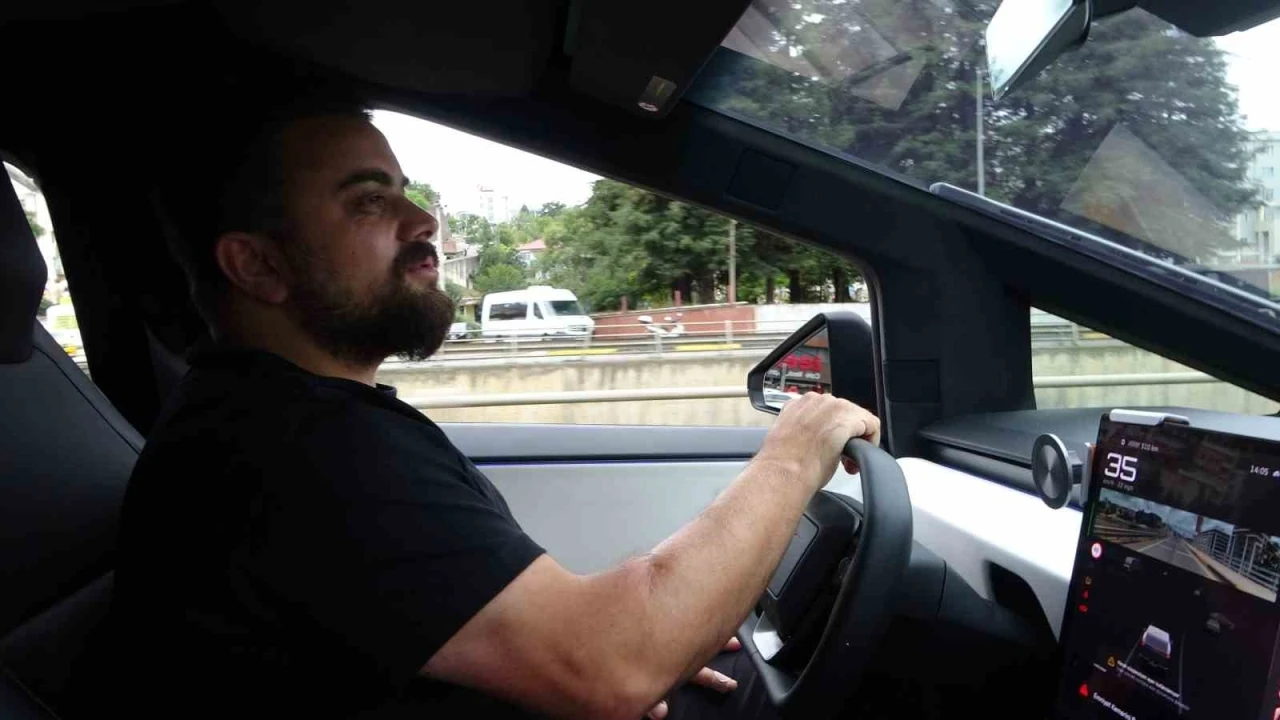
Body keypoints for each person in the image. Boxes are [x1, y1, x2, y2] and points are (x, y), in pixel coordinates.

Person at [107, 93, 881, 720]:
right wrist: (792, 457)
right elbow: (610, 669)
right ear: (256, 265)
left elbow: (547, 654)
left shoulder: (282, 417)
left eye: (405, 192)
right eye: (370, 202)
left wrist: (589, 665)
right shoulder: (300, 447)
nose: (422, 222)